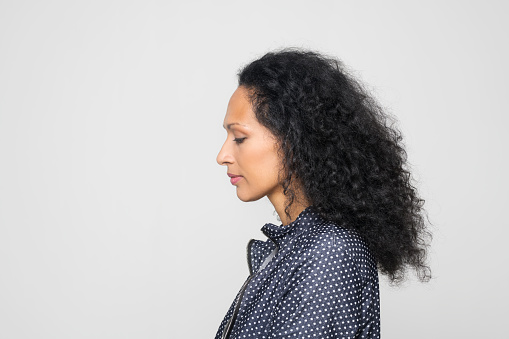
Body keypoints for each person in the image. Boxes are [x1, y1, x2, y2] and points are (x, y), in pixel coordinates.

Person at [215, 48, 431, 339]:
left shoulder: (330, 252)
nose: (222, 155)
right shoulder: (294, 247)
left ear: (294, 138)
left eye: (239, 138)